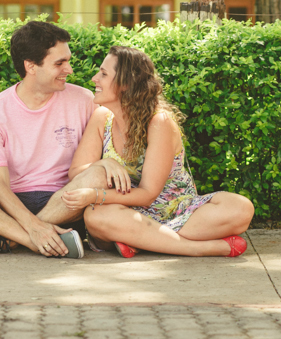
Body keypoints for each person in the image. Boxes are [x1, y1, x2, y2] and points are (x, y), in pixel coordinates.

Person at [62, 46, 255, 258]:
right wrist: (104, 164)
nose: (94, 78)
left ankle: (142, 240)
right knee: (95, 216)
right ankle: (199, 247)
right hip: (126, 212)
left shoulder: (158, 122)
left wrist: (94, 195)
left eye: (104, 74)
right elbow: (77, 172)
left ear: (126, 84)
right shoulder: (102, 118)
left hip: (178, 211)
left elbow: (147, 195)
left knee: (241, 208)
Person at [0, 21, 101, 259]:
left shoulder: (84, 100)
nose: (69, 69)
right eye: (60, 63)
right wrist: (32, 228)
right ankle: (35, 240)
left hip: (64, 201)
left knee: (99, 173)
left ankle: (5, 241)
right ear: (31, 66)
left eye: (68, 60)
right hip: (10, 204)